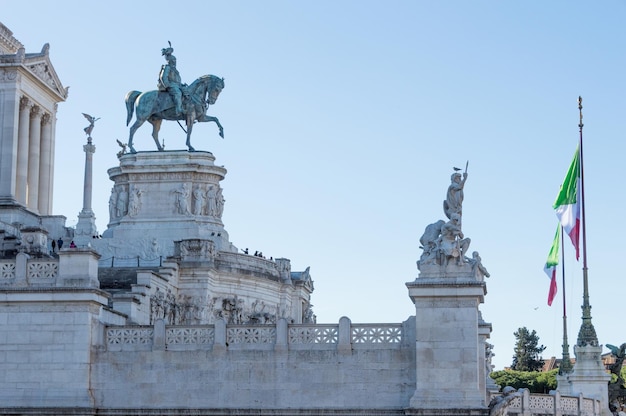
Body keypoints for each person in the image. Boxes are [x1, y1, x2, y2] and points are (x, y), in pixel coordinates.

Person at [158, 43, 187, 117]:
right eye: (173, 60)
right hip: (170, 86)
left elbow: (177, 81)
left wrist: (181, 85)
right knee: (177, 93)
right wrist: (167, 85)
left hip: (176, 85)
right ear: (170, 60)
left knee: (187, 92)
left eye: (175, 60)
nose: (175, 61)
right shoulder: (167, 67)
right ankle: (178, 109)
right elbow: (163, 77)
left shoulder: (175, 71)